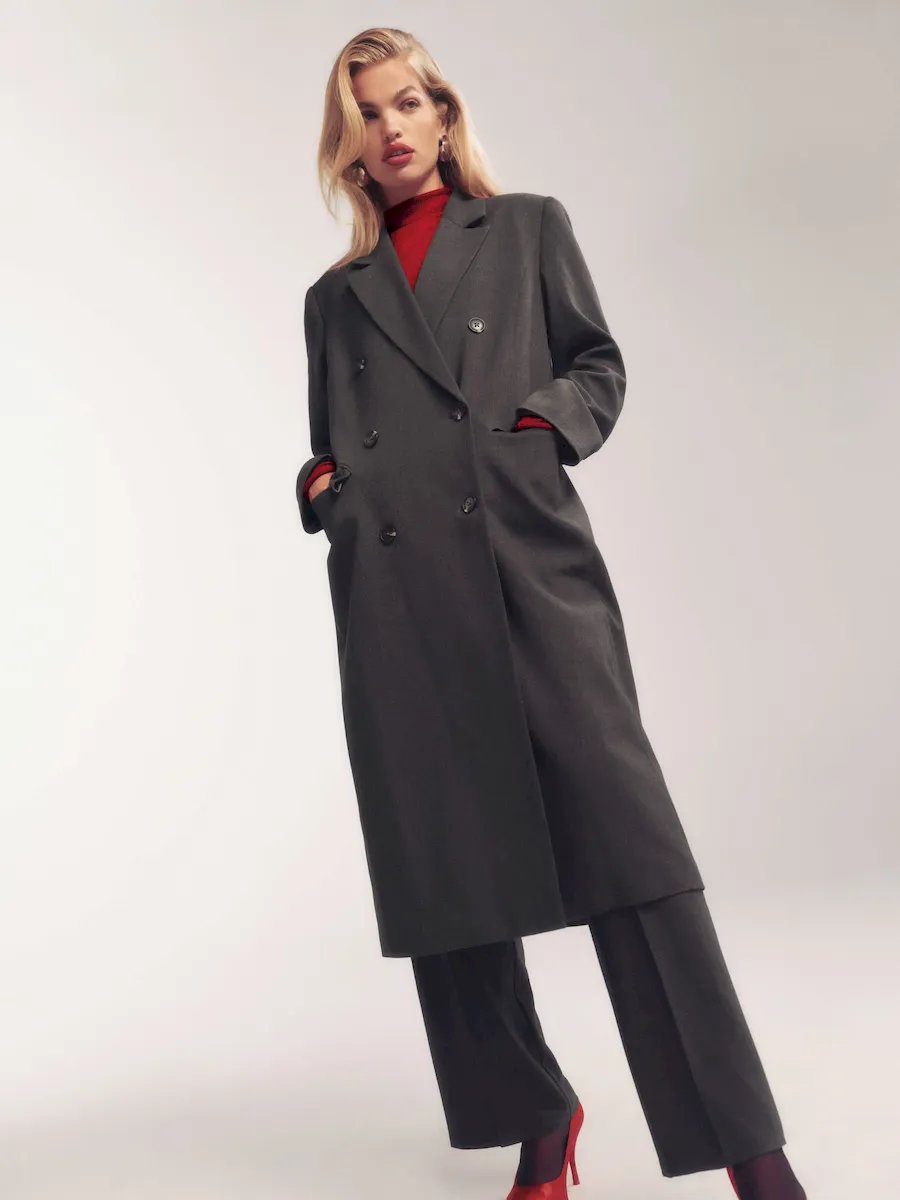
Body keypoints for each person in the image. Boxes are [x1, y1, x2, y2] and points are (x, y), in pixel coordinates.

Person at [295, 25, 808, 1200]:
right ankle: (538, 1116)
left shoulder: (526, 228)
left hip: (529, 569)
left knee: (634, 854)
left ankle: (753, 1154)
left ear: (444, 115)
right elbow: (331, 445)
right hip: (398, 605)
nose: (392, 127)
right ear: (348, 146)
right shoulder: (333, 301)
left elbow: (597, 366)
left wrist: (541, 434)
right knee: (446, 874)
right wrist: (320, 493)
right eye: (367, 113)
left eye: (409, 102)